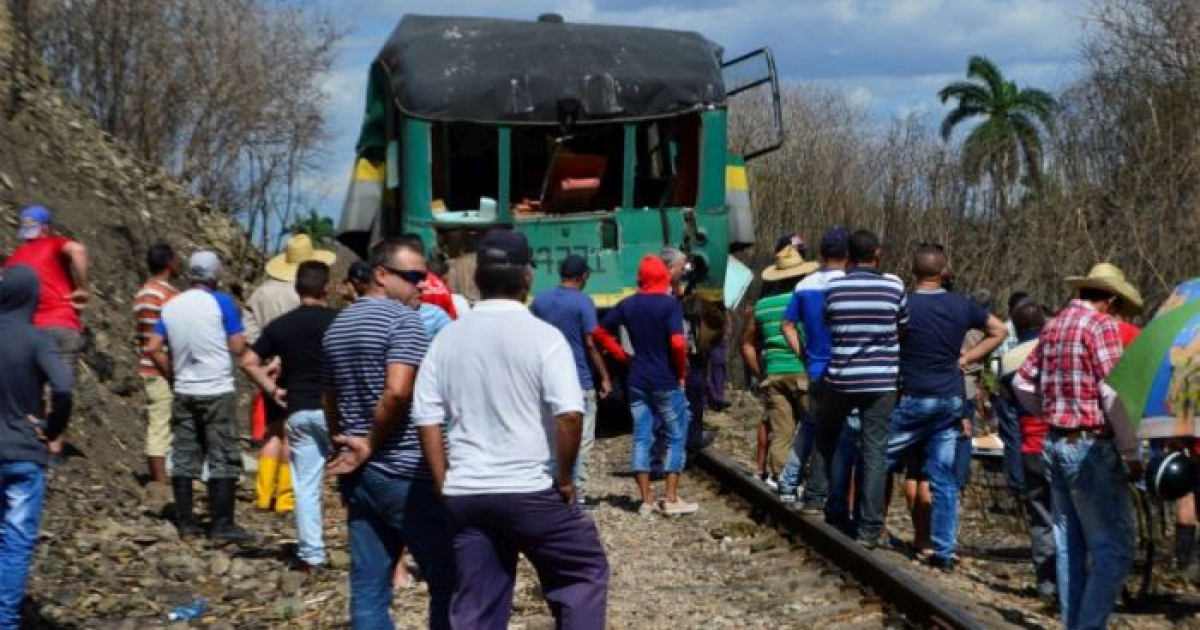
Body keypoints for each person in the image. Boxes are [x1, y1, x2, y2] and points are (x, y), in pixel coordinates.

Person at [414, 229, 610, 630]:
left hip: (468, 494)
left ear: (479, 280)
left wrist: (442, 483)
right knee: (581, 573)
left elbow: (427, 417)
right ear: (527, 279)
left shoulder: (447, 339)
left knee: (478, 605)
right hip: (531, 491)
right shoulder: (544, 338)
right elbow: (570, 415)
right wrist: (564, 479)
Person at [322, 238, 454, 629]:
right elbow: (397, 391)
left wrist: (344, 443)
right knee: (448, 577)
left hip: (359, 474)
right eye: (413, 277)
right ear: (381, 274)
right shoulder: (404, 321)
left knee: (368, 587)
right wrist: (370, 443)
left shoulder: (337, 325)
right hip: (404, 471)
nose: (422, 286)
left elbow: (328, 396)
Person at [1013, 262, 1144, 630]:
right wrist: (1131, 451)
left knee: (1070, 547)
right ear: (1111, 299)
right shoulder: (1099, 326)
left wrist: (1055, 411)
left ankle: (1075, 624)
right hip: (1089, 447)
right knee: (1113, 550)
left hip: (1055, 442)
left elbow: (1023, 383)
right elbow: (1111, 390)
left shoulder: (1054, 325)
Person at [885, 245, 1006, 570]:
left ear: (913, 272)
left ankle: (867, 525)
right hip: (950, 399)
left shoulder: (904, 304)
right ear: (943, 273)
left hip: (911, 396)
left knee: (878, 458)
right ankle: (944, 550)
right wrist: (966, 359)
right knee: (943, 477)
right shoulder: (961, 305)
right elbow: (1000, 330)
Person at [239, 261, 338, 572]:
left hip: (298, 411)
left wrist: (272, 390)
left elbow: (249, 361)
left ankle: (312, 555)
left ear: (297, 290)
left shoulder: (281, 326)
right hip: (334, 411)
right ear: (327, 288)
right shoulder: (338, 322)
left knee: (305, 486)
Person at [146, 251, 251, 542]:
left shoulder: (171, 306)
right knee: (222, 455)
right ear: (215, 275)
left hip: (185, 389)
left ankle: (186, 523)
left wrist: (173, 374)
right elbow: (238, 345)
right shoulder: (222, 302)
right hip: (216, 387)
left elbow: (153, 346)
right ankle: (222, 523)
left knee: (184, 455)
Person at [812, 229, 906, 547]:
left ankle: (822, 500)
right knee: (875, 450)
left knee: (829, 435)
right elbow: (902, 325)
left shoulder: (835, 286)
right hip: (882, 381)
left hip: (842, 377)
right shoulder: (894, 286)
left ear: (849, 256)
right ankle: (869, 527)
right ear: (877, 254)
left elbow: (829, 321)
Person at [0, 266, 74, 628]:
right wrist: (51, 428)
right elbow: (63, 387)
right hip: (22, 453)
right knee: (15, 541)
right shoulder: (38, 339)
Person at [594, 255, 697, 516]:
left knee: (641, 436)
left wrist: (620, 356)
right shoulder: (669, 305)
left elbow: (599, 332)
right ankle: (671, 498)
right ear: (663, 276)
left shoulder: (628, 304)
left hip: (637, 378)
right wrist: (681, 371)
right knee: (676, 435)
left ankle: (646, 500)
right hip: (665, 379)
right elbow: (676, 343)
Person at [246, 233, 336, 514]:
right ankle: (286, 498)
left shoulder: (262, 292)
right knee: (290, 437)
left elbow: (248, 335)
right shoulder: (309, 303)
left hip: (268, 367)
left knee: (271, 433)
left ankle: (263, 494)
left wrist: (268, 367)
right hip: (299, 372)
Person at [4, 206, 88, 461]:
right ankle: (54, 448)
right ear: (47, 227)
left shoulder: (14, 259)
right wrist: (84, 287)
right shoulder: (54, 243)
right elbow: (79, 249)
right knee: (59, 385)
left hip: (30, 330)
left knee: (35, 389)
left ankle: (34, 442)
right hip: (62, 323)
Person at [531, 254, 613, 505]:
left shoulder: (540, 300)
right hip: (578, 380)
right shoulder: (583, 302)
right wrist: (605, 377)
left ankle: (552, 494)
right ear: (584, 276)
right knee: (581, 443)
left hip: (544, 380)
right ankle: (576, 498)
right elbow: (590, 343)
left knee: (551, 440)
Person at [779, 227, 851, 513]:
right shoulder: (850, 283)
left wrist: (803, 352)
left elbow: (787, 324)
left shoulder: (804, 285)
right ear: (847, 255)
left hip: (816, 366)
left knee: (814, 426)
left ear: (821, 254)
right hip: (846, 367)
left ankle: (797, 485)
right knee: (844, 433)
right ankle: (836, 495)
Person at [740, 244, 818, 493]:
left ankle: (783, 480)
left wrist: (759, 372)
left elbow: (747, 343)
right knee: (815, 427)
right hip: (802, 371)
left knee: (782, 433)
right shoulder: (804, 301)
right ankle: (811, 482)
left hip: (773, 374)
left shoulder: (762, 305)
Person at [999, 300, 1056, 601]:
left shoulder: (1009, 360)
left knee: (1041, 517)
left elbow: (1008, 417)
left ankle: (1046, 584)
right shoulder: (1057, 350)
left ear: (1016, 327)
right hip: (1063, 440)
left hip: (1031, 445)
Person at [133, 243, 181, 505]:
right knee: (161, 423)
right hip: (162, 367)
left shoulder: (143, 293)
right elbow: (158, 342)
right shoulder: (165, 296)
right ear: (169, 263)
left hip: (150, 366)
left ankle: (164, 476)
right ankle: (160, 481)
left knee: (161, 422)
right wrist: (172, 371)